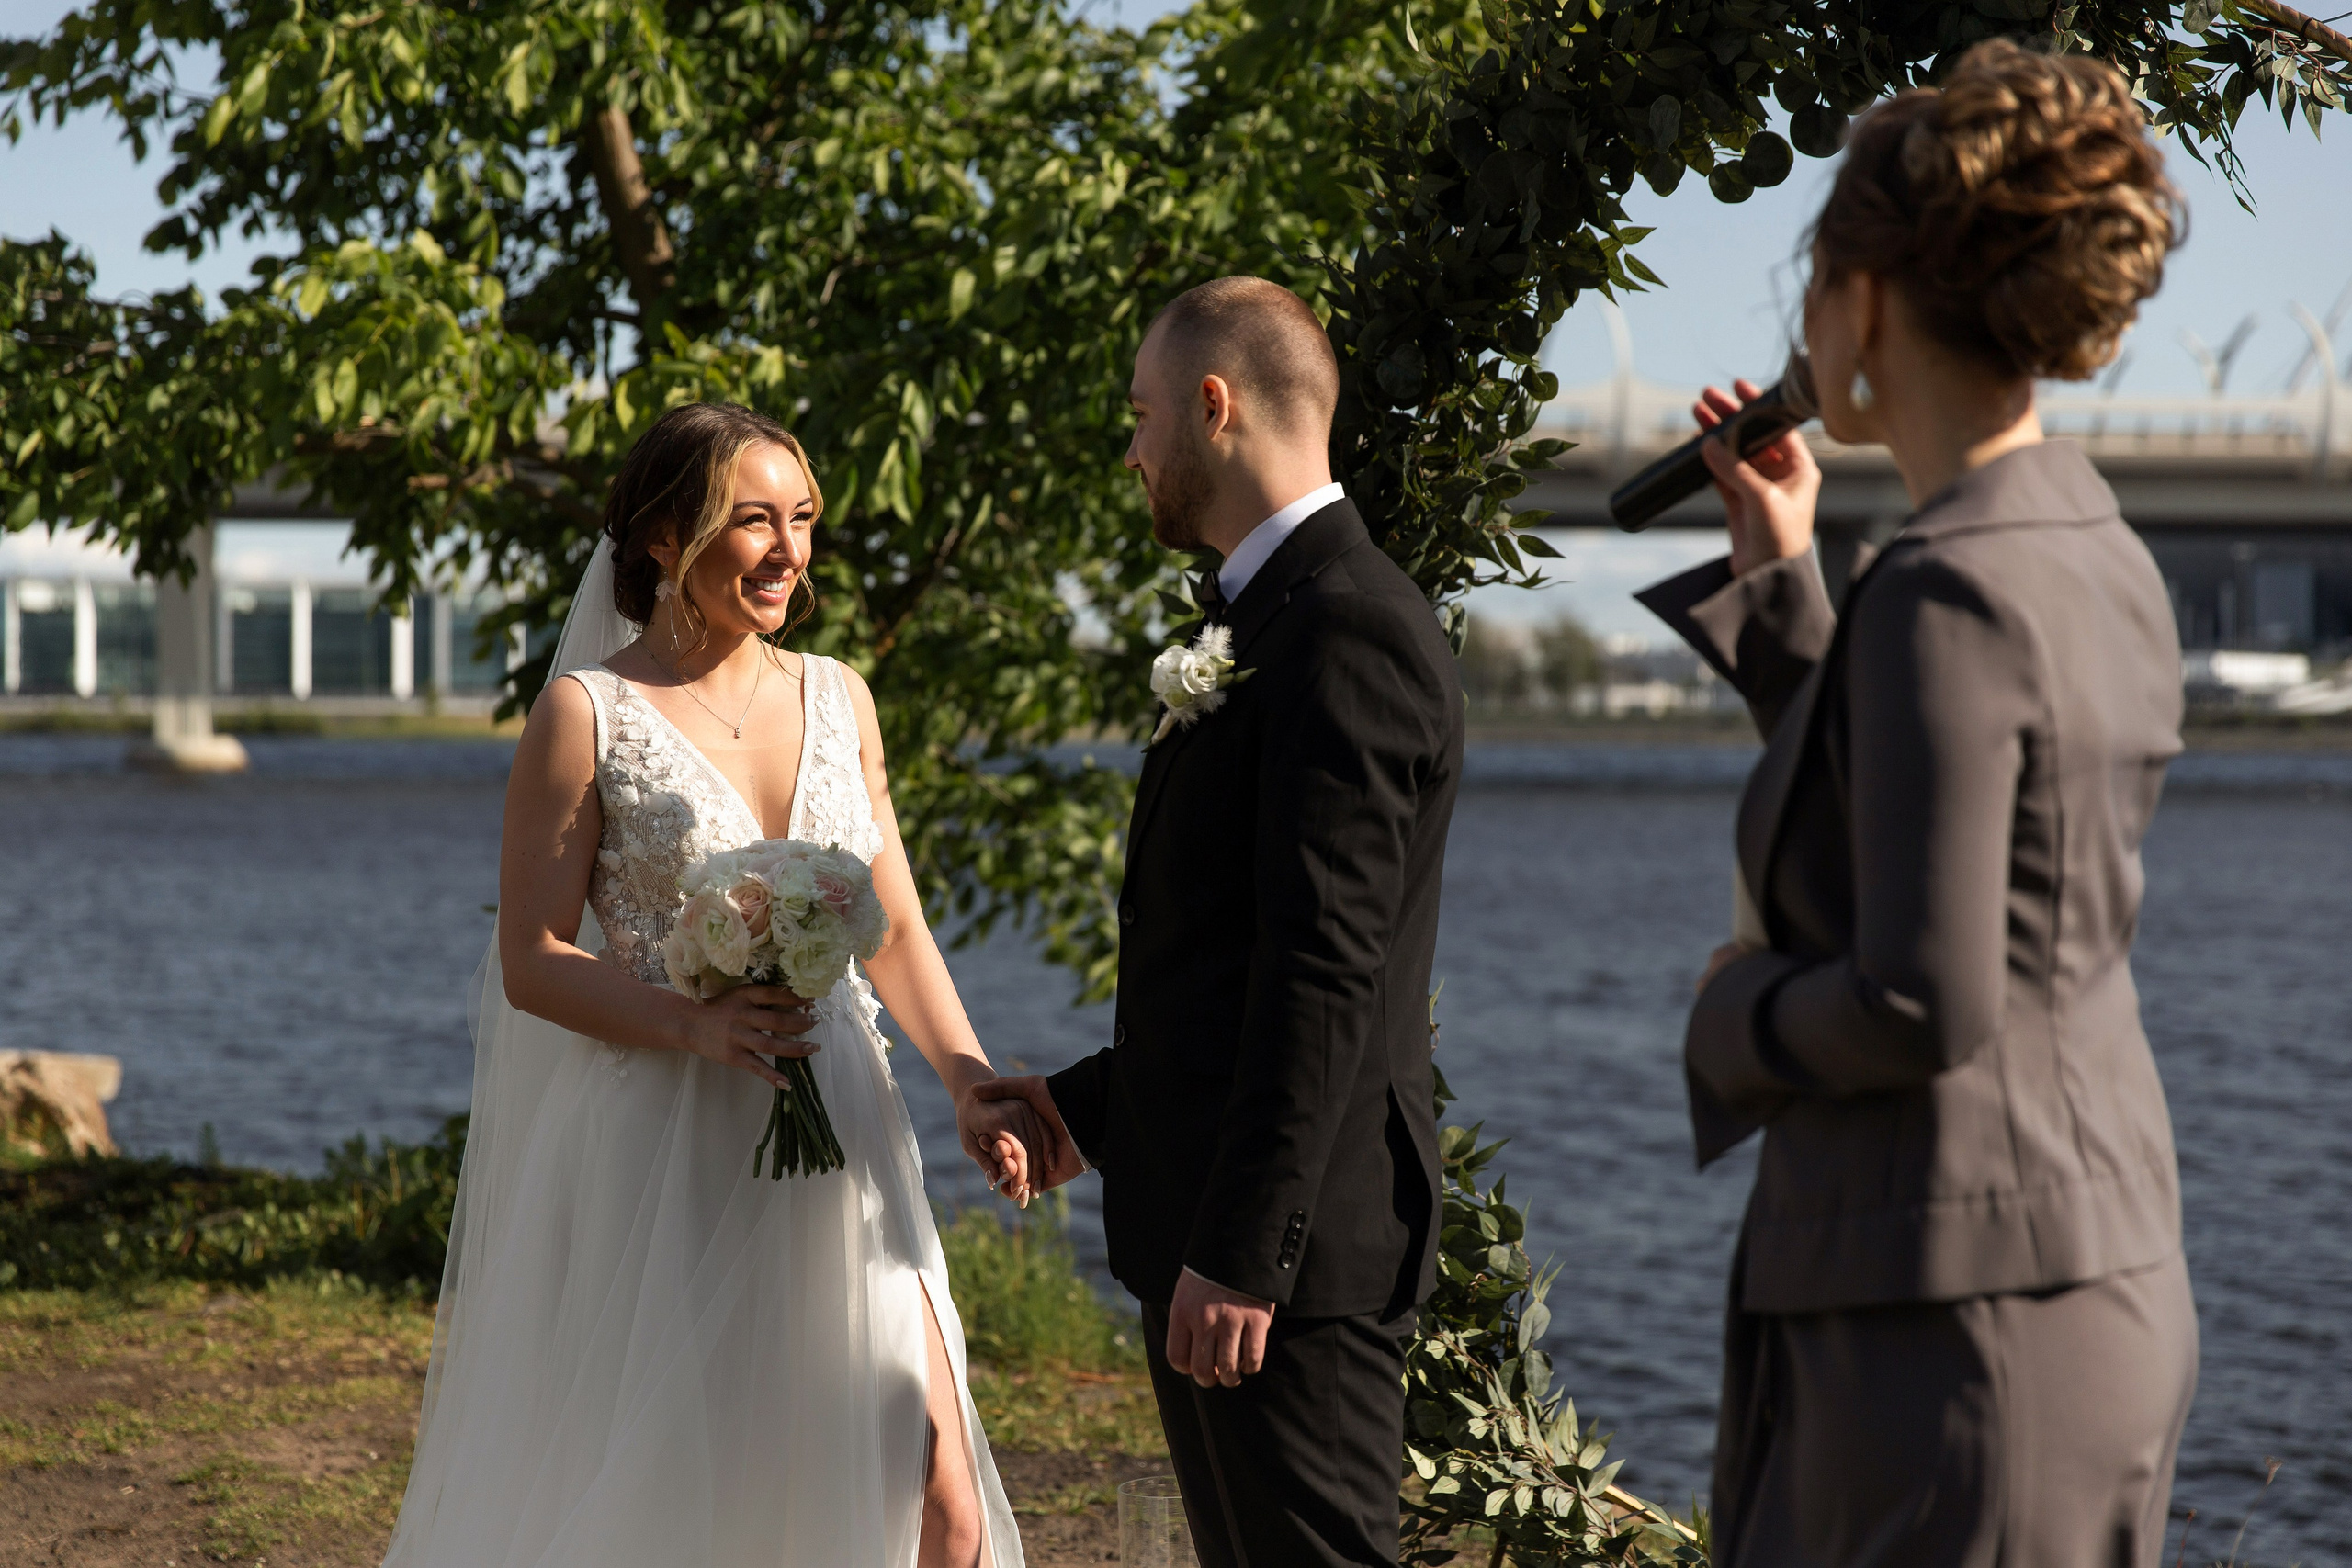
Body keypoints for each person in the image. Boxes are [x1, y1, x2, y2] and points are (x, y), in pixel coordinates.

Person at [1634, 39, 2198, 1568]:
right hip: (2078, 1268)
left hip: (1950, 1320)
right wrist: (1786, 585)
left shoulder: (1946, 585)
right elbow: (1937, 811)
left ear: (1867, 301)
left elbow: (1920, 995)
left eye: (1812, 284)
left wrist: (1731, 1012)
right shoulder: (2088, 545)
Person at [383, 402, 1042, 1568]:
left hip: (844, 1133)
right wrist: (694, 1025)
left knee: (942, 1501)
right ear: (661, 539)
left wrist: (968, 1081)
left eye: (803, 518)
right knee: (701, 1510)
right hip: (666, 1150)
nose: (789, 550)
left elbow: (892, 926)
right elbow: (531, 960)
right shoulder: (586, 715)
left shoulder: (840, 695)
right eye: (753, 521)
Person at [978, 277, 1465, 1568]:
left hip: (1287, 1269)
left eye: (1141, 415)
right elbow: (1224, 963)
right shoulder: (1269, 617)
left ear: (1215, 405)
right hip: (1217, 1234)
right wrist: (1088, 1110)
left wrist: (1247, 1253)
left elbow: (1325, 974)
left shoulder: (1347, 629)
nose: (1130, 449)